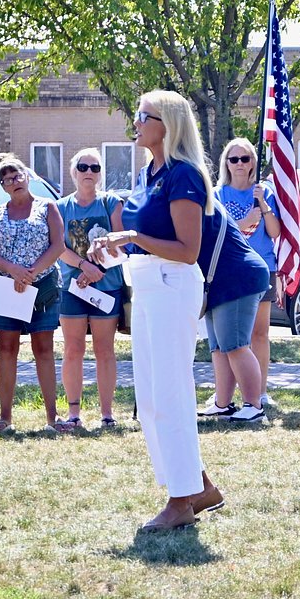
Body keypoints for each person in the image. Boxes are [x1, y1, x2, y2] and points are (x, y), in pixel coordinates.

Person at [91, 90, 225, 532]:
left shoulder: (183, 175)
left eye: (142, 116)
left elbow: (188, 252)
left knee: (169, 395)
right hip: (148, 284)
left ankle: (180, 499)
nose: (135, 123)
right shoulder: (151, 172)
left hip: (171, 285)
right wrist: (117, 245)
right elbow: (145, 239)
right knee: (149, 398)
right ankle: (195, 485)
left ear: (167, 123)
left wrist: (133, 236)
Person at [0, 154, 66, 432]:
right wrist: (14, 271)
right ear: (3, 186)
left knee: (44, 350)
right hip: (8, 288)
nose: (14, 181)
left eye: (17, 176)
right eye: (7, 179)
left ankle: (52, 417)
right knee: (7, 350)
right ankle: (5, 417)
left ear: (27, 177)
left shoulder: (47, 207)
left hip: (43, 288)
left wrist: (31, 273)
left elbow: (58, 246)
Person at [201, 137, 281, 421]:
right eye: (233, 159)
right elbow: (219, 231)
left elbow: (273, 232)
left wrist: (263, 205)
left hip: (257, 268)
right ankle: (225, 400)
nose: (239, 164)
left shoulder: (264, 192)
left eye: (245, 159)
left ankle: (256, 395)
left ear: (252, 164)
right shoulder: (218, 195)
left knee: (255, 336)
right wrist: (245, 221)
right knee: (223, 341)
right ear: (226, 163)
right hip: (223, 270)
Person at [55, 147, 124, 429]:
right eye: (83, 167)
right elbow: (58, 247)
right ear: (73, 172)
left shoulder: (111, 203)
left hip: (107, 287)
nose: (88, 173)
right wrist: (84, 268)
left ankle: (107, 414)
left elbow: (121, 243)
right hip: (72, 288)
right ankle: (74, 414)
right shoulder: (60, 207)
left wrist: (98, 271)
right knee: (73, 349)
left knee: (104, 349)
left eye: (95, 168)